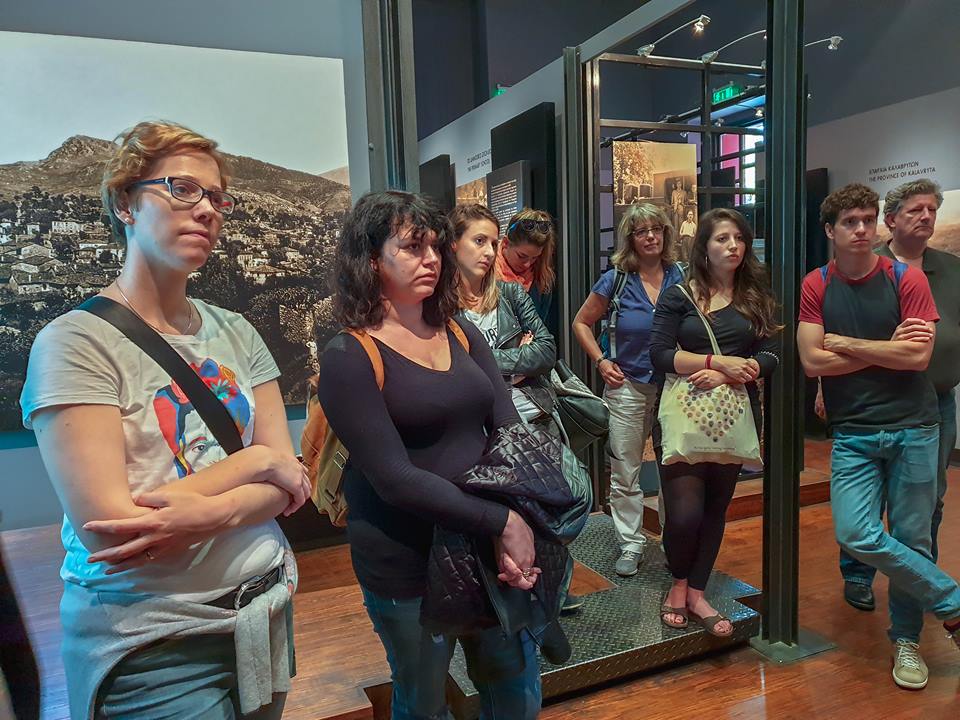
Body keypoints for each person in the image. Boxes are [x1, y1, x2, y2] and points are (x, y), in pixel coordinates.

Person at [19, 121, 309, 718]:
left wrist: (207, 512)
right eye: (182, 188)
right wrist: (257, 463)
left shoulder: (236, 331)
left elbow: (292, 483)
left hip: (266, 608)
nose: (206, 209)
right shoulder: (75, 343)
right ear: (125, 202)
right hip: (155, 643)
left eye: (216, 197)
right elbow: (112, 531)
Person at [318, 191, 542, 720]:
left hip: (486, 544)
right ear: (371, 259)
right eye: (413, 247)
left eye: (436, 246)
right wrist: (502, 520)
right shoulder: (350, 355)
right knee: (422, 699)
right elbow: (395, 478)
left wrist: (512, 517)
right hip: (407, 557)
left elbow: (507, 425)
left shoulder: (460, 331)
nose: (432, 259)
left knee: (515, 687)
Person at [797, 182, 960, 690]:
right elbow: (811, 361)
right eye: (850, 222)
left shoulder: (906, 278)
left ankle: (906, 641)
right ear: (831, 230)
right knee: (855, 533)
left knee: (913, 537)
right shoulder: (817, 284)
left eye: (868, 220)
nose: (862, 230)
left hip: (916, 426)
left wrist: (846, 343)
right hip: (854, 432)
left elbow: (917, 357)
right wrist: (883, 348)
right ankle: (952, 600)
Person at [649, 208, 780, 636]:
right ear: (703, 246)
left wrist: (731, 374)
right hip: (682, 415)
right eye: (722, 238)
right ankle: (678, 583)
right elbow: (659, 354)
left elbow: (771, 354)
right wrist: (714, 362)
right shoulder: (678, 296)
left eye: (739, 238)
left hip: (734, 415)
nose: (733, 246)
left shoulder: (756, 296)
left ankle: (697, 592)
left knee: (715, 509)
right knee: (684, 513)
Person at [449, 203, 583, 615]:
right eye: (479, 241)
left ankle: (550, 590)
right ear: (452, 245)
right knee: (505, 519)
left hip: (532, 412)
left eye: (493, 242)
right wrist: (509, 362)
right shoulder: (440, 307)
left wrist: (486, 362)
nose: (489, 252)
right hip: (479, 427)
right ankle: (514, 597)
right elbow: (449, 368)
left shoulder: (509, 294)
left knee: (558, 504)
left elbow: (546, 351)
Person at [836, 179, 960, 616]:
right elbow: (835, 341)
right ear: (891, 220)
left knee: (928, 501)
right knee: (866, 504)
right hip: (871, 400)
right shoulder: (864, 266)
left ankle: (920, 583)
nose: (926, 217)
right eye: (915, 210)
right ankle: (858, 574)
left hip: (936, 402)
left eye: (931, 210)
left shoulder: (951, 269)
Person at [572, 203, 684, 577]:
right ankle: (631, 543)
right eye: (641, 231)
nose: (650, 236)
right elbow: (581, 322)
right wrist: (601, 361)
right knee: (625, 469)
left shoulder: (681, 276)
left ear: (666, 232)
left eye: (656, 229)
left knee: (674, 467)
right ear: (630, 239)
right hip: (627, 386)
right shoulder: (616, 279)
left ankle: (673, 542)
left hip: (674, 386)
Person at [496, 208, 557, 325]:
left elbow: (540, 327)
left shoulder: (542, 279)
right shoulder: (485, 275)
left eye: (534, 258)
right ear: (505, 243)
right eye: (522, 256)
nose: (528, 264)